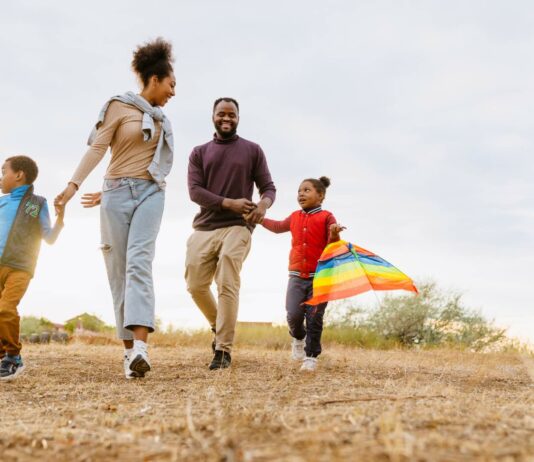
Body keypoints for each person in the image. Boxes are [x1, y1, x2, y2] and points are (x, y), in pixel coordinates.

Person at [54, 38, 175, 379]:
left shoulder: (162, 119)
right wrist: (72, 186)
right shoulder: (118, 107)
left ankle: (141, 348)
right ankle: (128, 355)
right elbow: (97, 149)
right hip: (116, 192)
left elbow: (155, 165)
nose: (173, 92)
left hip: (152, 193)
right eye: (171, 84)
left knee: (139, 262)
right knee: (118, 270)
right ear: (155, 79)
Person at [186, 97, 276, 370]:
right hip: (205, 226)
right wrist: (228, 202)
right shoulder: (199, 152)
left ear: (238, 117)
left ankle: (223, 350)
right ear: (213, 116)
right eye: (221, 114)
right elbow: (195, 192)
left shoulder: (252, 150)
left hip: (239, 226)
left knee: (227, 275)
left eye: (232, 115)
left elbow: (269, 188)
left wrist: (262, 205)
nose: (227, 119)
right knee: (196, 285)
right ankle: (217, 325)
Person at [259, 176, 344, 371]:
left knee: (314, 317)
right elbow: (278, 226)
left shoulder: (327, 217)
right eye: (299, 191)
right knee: (293, 315)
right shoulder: (295, 216)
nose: (301, 194)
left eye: (307, 190)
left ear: (320, 196)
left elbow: (333, 245)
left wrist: (334, 234)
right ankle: (298, 337)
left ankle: (311, 356)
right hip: (296, 277)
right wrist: (260, 219)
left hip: (320, 277)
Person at [0, 155, 64, 380]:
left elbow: (49, 237)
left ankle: (13, 357)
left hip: (19, 266)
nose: (1, 177)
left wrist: (61, 217)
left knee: (6, 309)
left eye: (3, 171)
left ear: (18, 175)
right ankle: (2, 358)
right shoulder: (2, 202)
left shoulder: (35, 204)